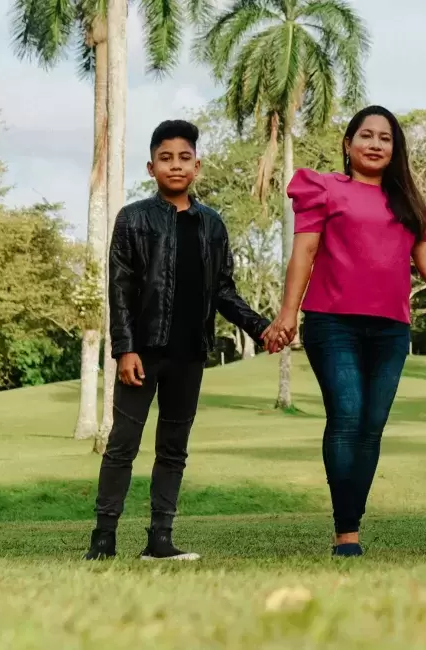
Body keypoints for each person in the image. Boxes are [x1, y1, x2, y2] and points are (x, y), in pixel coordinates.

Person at [267, 105, 426, 557]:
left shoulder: (408, 204)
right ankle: (346, 531)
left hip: (390, 329)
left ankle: (352, 521)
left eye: (385, 138)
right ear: (348, 145)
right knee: (347, 416)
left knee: (371, 426)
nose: (375, 144)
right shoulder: (324, 189)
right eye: (365, 135)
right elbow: (304, 253)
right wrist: (288, 315)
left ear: (394, 148)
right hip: (333, 322)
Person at [85, 120, 282, 561]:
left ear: (197, 165)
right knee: (122, 446)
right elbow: (120, 288)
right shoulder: (133, 219)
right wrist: (125, 348)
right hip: (143, 353)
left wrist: (260, 327)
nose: (176, 165)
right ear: (151, 167)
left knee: (173, 450)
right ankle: (103, 539)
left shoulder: (212, 225)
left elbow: (224, 290)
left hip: (190, 354)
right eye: (166, 158)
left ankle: (160, 539)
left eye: (185, 157)